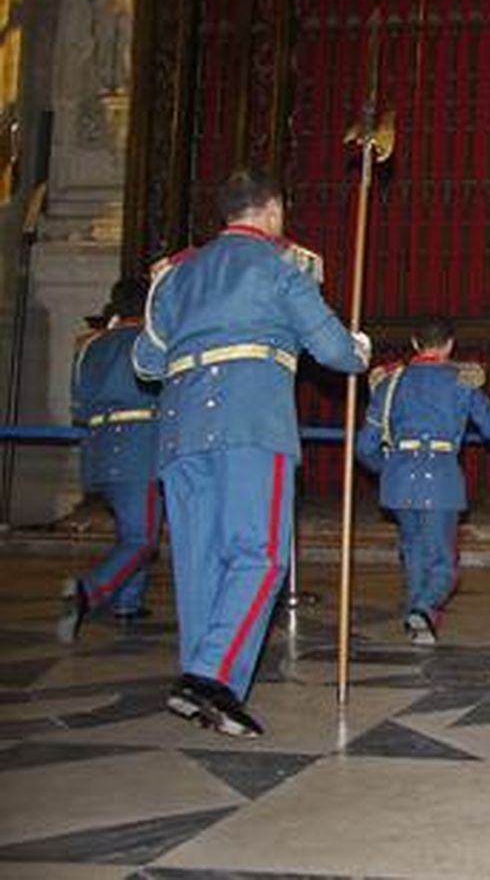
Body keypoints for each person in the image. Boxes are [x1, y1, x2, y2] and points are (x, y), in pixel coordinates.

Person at [133, 169, 370, 738]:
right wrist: (359, 347)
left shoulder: (174, 276)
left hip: (182, 430)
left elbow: (144, 363)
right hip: (250, 423)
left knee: (198, 560)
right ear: (271, 210)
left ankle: (205, 682)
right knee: (260, 554)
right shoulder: (280, 267)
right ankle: (209, 675)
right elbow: (335, 352)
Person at [356, 316, 490, 645]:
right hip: (440, 478)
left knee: (413, 551)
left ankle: (417, 619)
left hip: (399, 478)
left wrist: (388, 469)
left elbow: (365, 447)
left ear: (415, 343)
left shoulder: (388, 383)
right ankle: (425, 609)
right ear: (449, 345)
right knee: (443, 562)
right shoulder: (461, 382)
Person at [58, 277, 162, 641]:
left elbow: (79, 406)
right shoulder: (151, 344)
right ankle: (88, 593)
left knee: (130, 531)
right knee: (142, 538)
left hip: (99, 449)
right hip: (140, 449)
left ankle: (128, 602)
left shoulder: (90, 346)